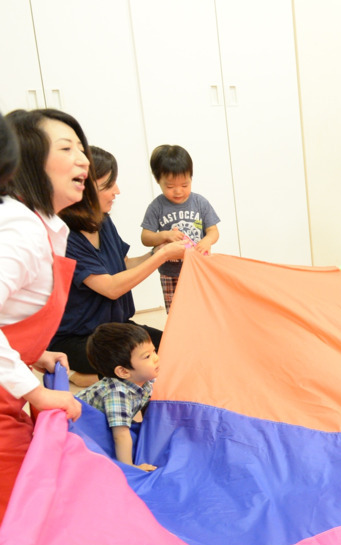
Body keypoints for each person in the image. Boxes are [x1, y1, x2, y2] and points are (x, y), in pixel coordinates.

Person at [0, 108, 87, 521]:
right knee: (25, 516)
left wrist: (34, 355)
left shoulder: (43, 226)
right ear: (26, 162)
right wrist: (35, 392)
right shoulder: (22, 229)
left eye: (81, 148)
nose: (84, 159)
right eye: (67, 148)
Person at [48, 147, 186, 388]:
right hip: (79, 339)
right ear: (83, 189)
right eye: (108, 185)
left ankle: (94, 375)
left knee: (173, 349)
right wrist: (163, 255)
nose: (117, 191)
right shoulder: (66, 237)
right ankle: (79, 375)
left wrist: (155, 251)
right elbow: (111, 287)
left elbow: (121, 266)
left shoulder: (102, 220)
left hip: (116, 329)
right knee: (142, 370)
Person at [140, 144, 220, 313]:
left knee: (204, 309)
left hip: (199, 268)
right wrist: (165, 235)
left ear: (191, 178)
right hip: (170, 274)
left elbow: (213, 231)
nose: (178, 191)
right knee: (177, 312)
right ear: (158, 181)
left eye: (185, 185)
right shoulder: (157, 207)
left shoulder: (200, 203)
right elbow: (145, 237)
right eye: (170, 186)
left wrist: (206, 241)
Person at [76, 323, 159, 472]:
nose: (155, 358)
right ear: (123, 372)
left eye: (154, 351)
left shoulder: (144, 380)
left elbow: (148, 403)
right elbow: (120, 435)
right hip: (80, 429)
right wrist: (129, 468)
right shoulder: (118, 394)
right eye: (147, 356)